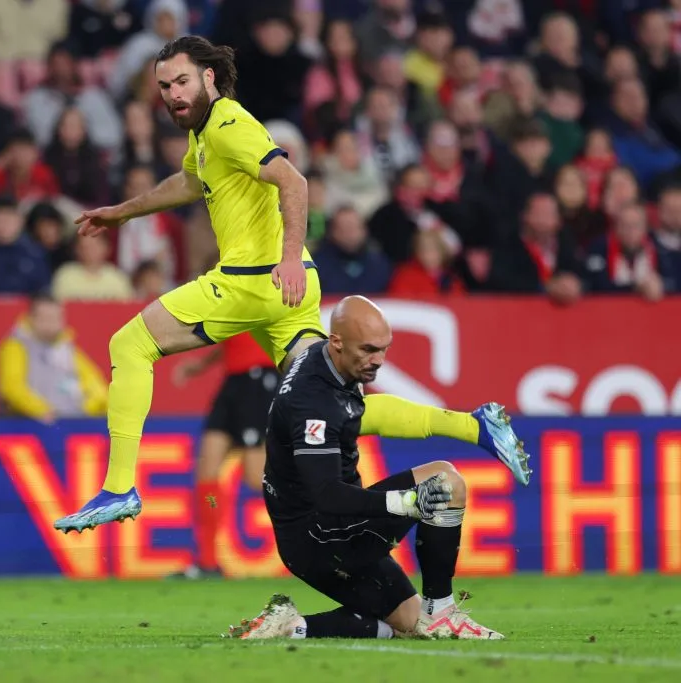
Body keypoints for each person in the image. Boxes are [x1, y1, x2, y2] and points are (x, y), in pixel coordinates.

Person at [53, 36, 323, 533]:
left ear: (208, 77)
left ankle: (119, 486)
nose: (173, 94)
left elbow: (294, 181)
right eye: (164, 87)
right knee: (329, 398)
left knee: (130, 344)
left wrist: (286, 258)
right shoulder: (205, 134)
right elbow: (186, 184)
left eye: (181, 81)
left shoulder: (227, 126)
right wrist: (122, 213)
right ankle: (462, 428)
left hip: (254, 280)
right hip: (291, 287)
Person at [225, 296, 532, 642]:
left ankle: (293, 626)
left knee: (410, 622)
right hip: (323, 535)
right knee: (446, 483)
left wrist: (466, 427)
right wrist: (406, 502)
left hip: (313, 537)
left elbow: (373, 413)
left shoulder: (326, 361)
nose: (379, 360)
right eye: (369, 349)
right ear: (337, 342)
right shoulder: (313, 403)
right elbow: (327, 494)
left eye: (384, 348)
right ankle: (443, 613)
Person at [170, 332, 278, 579]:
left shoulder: (271, 307)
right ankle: (208, 562)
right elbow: (231, 335)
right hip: (232, 384)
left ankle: (317, 523)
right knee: (207, 473)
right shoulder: (233, 310)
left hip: (258, 382)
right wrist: (201, 365)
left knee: (255, 478)